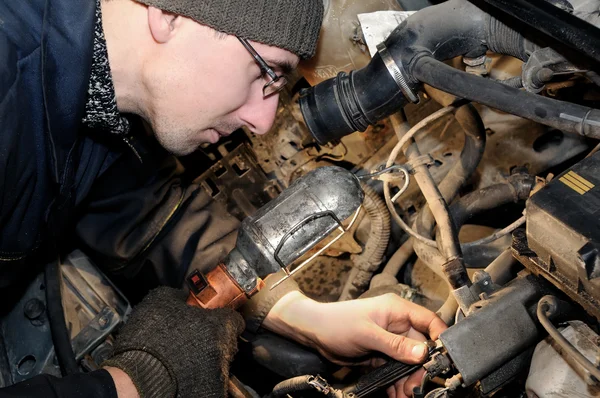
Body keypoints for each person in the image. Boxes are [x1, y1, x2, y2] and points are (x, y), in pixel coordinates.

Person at [0, 0, 447, 397]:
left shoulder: (107, 102)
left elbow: (144, 214)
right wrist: (132, 383)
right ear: (169, 14)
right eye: (265, 73)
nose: (263, 121)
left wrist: (297, 314)